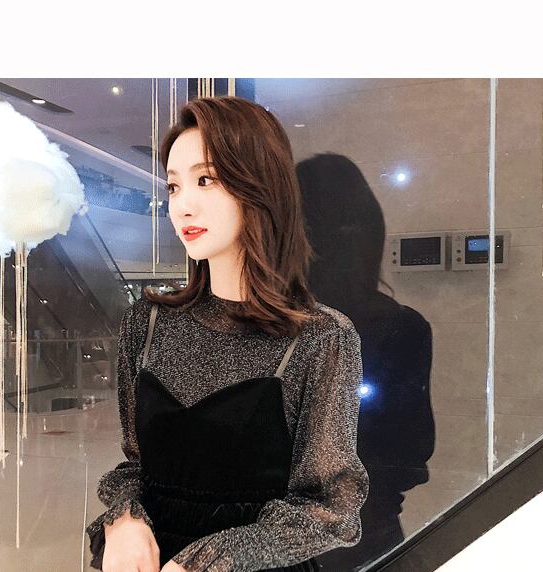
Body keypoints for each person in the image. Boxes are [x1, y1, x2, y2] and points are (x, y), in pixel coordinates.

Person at [85, 97, 369, 572]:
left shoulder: (320, 338)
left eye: (205, 180)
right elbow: (136, 465)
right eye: (174, 186)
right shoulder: (147, 324)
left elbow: (329, 506)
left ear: (259, 186)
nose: (183, 205)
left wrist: (213, 561)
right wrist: (124, 521)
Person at [297, 153, 435, 570]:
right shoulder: (400, 328)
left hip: (272, 540)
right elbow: (411, 452)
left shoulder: (267, 325)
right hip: (368, 537)